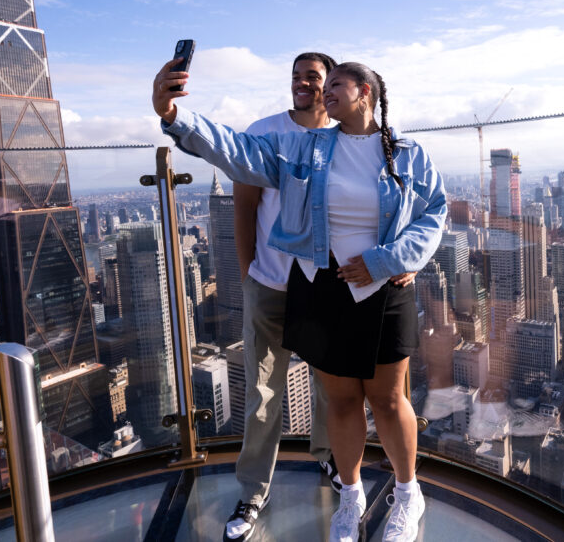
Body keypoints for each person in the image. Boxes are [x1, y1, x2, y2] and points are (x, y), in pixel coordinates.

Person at [153, 59, 446, 542]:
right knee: (343, 401)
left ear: (366, 93)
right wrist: (174, 116)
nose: (325, 92)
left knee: (390, 401)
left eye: (337, 84)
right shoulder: (307, 149)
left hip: (384, 287)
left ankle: (406, 495)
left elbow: (433, 212)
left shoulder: (408, 153)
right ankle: (349, 502)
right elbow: (240, 152)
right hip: (322, 286)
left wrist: (390, 259)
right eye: (323, 85)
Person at [223, 52, 341, 542]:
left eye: (311, 77)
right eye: (296, 77)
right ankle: (254, 490)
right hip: (270, 282)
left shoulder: (346, 135)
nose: (302, 85)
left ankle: (331, 458)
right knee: (263, 392)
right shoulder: (264, 131)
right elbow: (245, 204)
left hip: (324, 286)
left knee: (330, 385)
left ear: (329, 84)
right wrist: (249, 270)